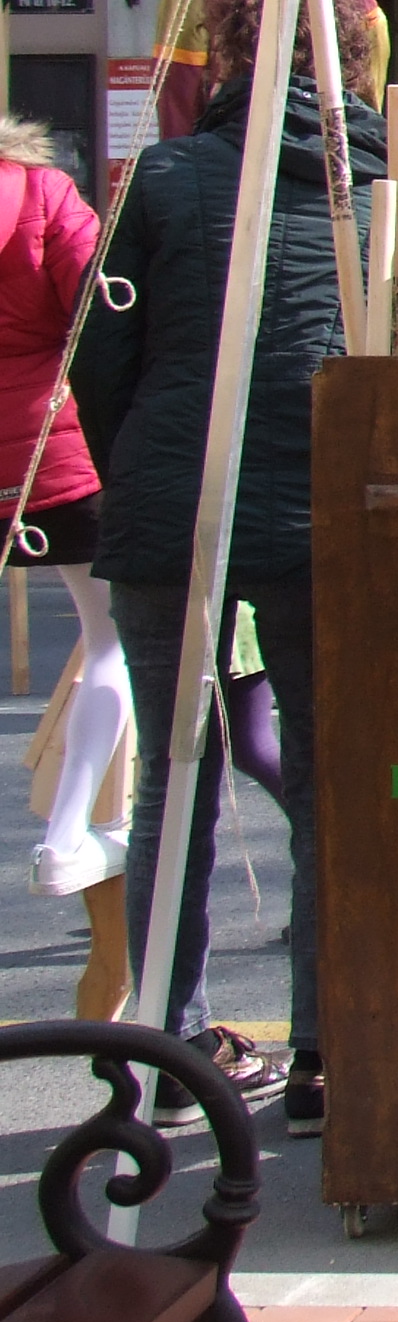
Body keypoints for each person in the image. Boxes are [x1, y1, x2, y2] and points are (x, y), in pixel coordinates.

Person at [78, 0, 398, 1135]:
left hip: (174, 504)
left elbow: (101, 358)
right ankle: (324, 1052)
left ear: (231, 57)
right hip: (321, 514)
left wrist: (144, 459)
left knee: (174, 778)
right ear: (356, 63)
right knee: (326, 778)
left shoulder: (166, 180)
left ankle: (168, 1045)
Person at [2, 118, 126, 904]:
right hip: (53, 446)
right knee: (110, 636)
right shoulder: (46, 194)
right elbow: (100, 309)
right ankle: (65, 836)